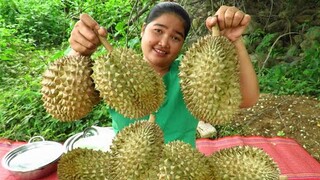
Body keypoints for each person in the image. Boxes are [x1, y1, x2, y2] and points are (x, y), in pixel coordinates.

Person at [68, 2, 259, 147]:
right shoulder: (113, 73)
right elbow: (70, 105)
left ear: (183, 44)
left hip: (182, 167)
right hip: (131, 168)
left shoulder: (190, 75)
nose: (164, 42)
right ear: (143, 30)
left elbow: (248, 99)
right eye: (158, 31)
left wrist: (234, 42)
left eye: (176, 37)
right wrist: (78, 52)